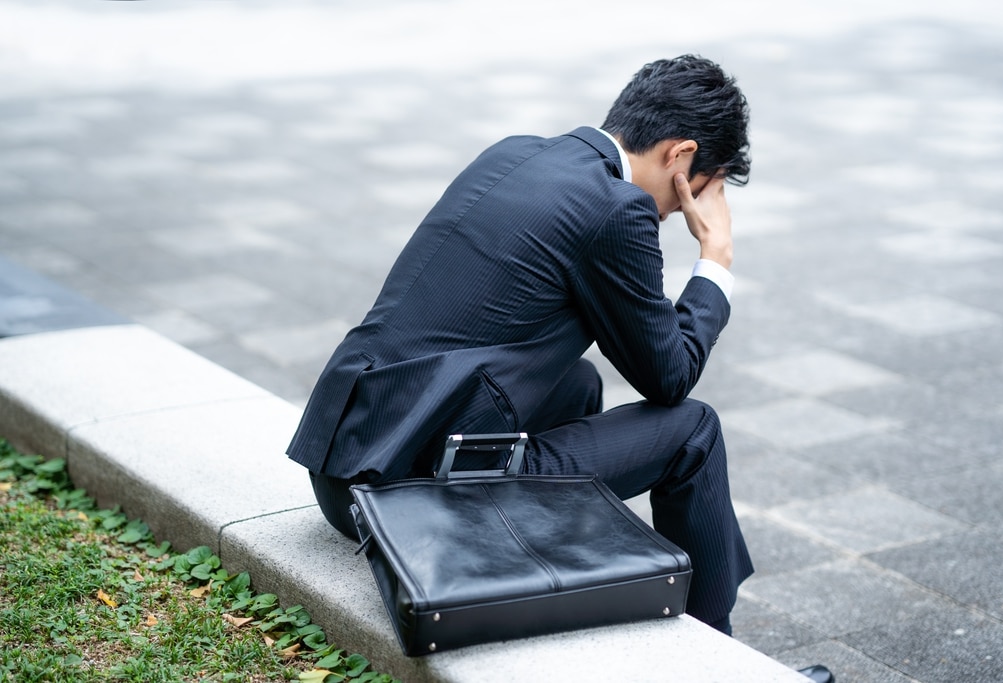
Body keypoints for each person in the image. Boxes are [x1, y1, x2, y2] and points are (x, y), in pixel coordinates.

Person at [289, 54, 752, 635]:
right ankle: (718, 655)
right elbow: (671, 376)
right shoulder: (617, 209)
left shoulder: (514, 152)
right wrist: (716, 260)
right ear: (681, 157)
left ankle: (549, 565)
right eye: (699, 193)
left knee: (577, 381)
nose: (683, 212)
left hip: (346, 471)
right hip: (407, 503)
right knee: (694, 431)